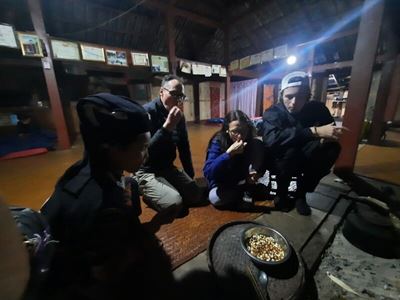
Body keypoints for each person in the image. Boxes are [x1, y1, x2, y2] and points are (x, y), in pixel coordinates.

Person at [40, 93, 177, 299]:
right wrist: (148, 240)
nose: (146, 155)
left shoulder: (85, 170)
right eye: (142, 148)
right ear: (112, 148)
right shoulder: (104, 204)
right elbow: (105, 271)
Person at [262, 71, 344, 215]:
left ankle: (301, 193)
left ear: (307, 96)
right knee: (289, 152)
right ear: (282, 95)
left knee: (332, 149)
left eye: (300, 97)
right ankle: (281, 193)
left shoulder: (317, 109)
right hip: (281, 157)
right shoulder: (273, 112)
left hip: (308, 154)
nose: (294, 102)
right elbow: (272, 140)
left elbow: (330, 128)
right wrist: (313, 131)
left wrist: (330, 136)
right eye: (289, 97)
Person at [135, 74, 201, 217]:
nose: (178, 99)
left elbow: (184, 147)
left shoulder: (179, 116)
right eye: (174, 94)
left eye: (181, 96)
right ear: (161, 92)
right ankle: (143, 188)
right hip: (147, 169)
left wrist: (190, 178)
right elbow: (143, 153)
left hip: (167, 167)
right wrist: (167, 128)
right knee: (176, 205)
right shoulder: (146, 113)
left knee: (196, 195)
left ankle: (164, 188)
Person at [203, 110, 268, 210]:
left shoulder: (251, 142)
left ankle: (247, 190)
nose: (240, 136)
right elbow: (209, 173)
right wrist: (228, 154)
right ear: (227, 130)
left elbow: (261, 161)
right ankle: (245, 192)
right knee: (215, 198)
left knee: (258, 144)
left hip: (242, 179)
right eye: (235, 131)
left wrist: (257, 172)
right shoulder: (218, 141)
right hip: (222, 183)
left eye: (243, 131)